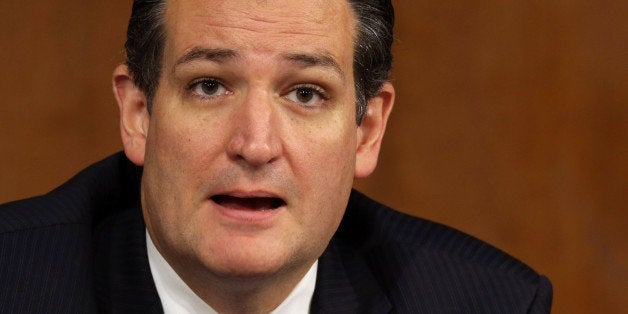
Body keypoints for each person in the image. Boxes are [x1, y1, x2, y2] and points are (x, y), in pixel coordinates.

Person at [0, 0, 552, 313]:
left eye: (306, 93)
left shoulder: (486, 303)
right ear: (139, 114)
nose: (256, 145)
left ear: (366, 129)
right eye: (210, 86)